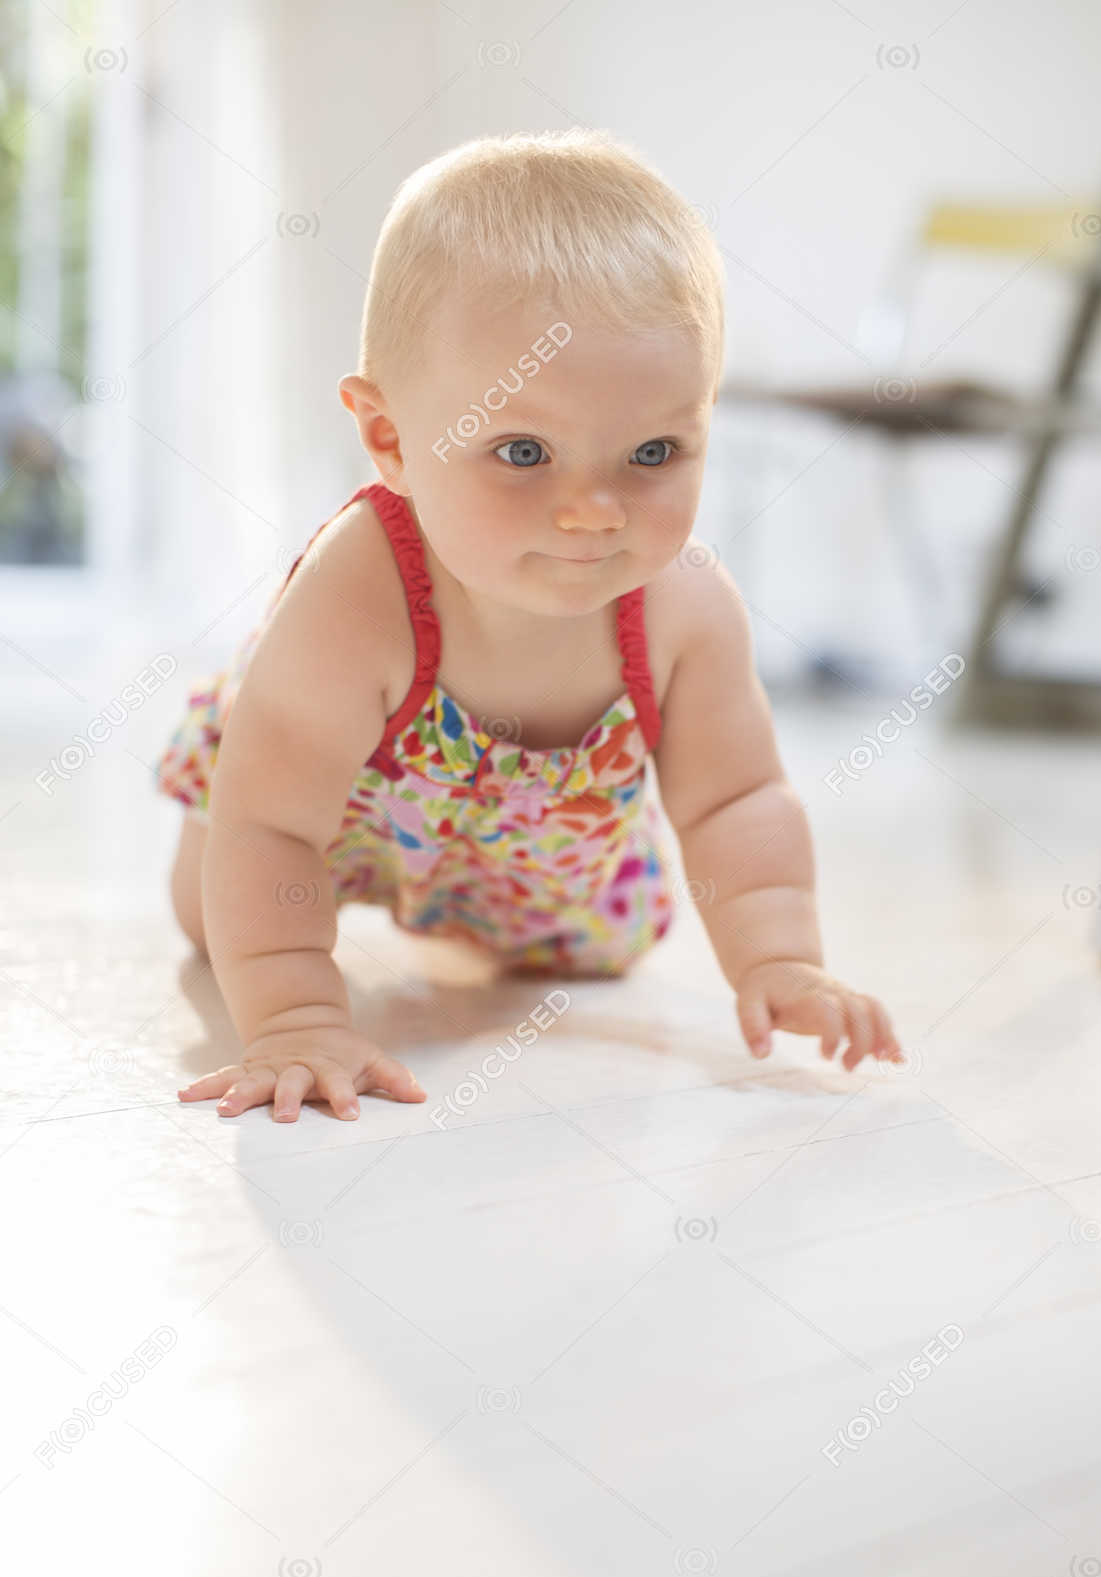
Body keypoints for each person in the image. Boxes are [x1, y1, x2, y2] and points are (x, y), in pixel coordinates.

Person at [155, 127, 903, 1125]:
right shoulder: (359, 592)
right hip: (320, 819)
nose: (594, 509)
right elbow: (270, 824)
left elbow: (737, 802)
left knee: (592, 960)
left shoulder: (684, 605)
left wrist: (783, 958)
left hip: (555, 857)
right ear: (390, 439)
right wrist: (293, 1014)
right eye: (521, 451)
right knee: (215, 908)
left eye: (652, 451)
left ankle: (488, 914)